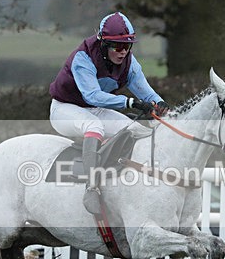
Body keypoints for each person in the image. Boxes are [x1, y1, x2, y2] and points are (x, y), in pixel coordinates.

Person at [48, 11, 170, 214]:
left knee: (138, 131)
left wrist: (160, 104)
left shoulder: (130, 63)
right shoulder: (83, 58)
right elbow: (92, 96)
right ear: (104, 45)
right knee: (93, 126)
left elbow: (145, 91)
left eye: (128, 45)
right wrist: (130, 103)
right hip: (64, 108)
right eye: (119, 46)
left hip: (94, 110)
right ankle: (91, 187)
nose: (124, 52)